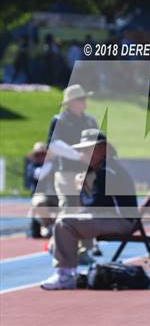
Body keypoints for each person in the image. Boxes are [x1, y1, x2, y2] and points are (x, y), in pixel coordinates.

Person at [41, 130, 138, 290]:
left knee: (64, 223)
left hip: (121, 220)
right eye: (83, 150)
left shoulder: (107, 171)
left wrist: (81, 188)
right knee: (68, 219)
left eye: (89, 149)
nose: (84, 154)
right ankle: (71, 266)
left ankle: (65, 273)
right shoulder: (106, 167)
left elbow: (93, 205)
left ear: (103, 149)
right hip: (120, 218)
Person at [47, 84, 99, 262]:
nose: (84, 102)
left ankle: (85, 250)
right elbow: (54, 145)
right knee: (68, 208)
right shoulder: (59, 120)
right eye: (80, 99)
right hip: (66, 172)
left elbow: (99, 142)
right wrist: (79, 156)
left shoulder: (90, 121)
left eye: (84, 98)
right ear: (70, 103)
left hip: (87, 174)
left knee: (87, 210)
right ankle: (60, 247)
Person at [25, 142, 58, 238]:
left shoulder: (55, 165)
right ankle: (48, 225)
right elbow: (40, 174)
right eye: (38, 154)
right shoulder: (32, 167)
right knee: (39, 203)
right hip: (41, 195)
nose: (41, 157)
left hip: (57, 195)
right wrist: (50, 162)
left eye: (43, 154)